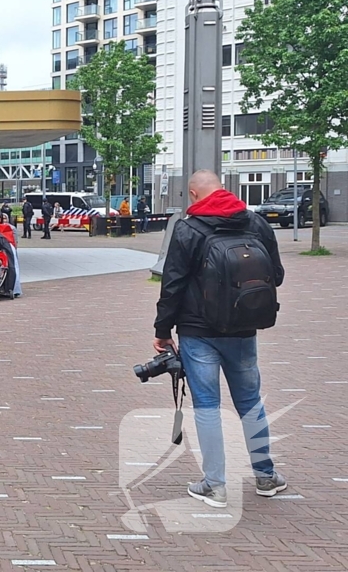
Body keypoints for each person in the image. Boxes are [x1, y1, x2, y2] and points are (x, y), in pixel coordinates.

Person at [154, 170, 286, 509]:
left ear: (195, 196)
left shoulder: (189, 228)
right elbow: (278, 276)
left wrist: (162, 331)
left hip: (198, 331)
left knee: (208, 406)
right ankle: (266, 476)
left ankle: (215, 485)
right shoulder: (255, 223)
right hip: (243, 327)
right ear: (223, 190)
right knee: (250, 402)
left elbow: (173, 283)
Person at [0, 212, 22, 297]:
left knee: (9, 268)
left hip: (6, 250)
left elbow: (10, 240)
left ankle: (9, 288)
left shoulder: (7, 227)